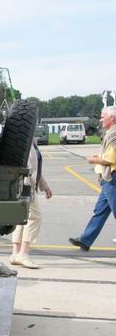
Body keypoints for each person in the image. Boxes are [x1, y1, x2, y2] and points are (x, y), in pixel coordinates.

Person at [69, 106, 116, 251]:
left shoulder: (114, 135)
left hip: (112, 180)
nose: (100, 120)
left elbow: (110, 159)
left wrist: (94, 160)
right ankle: (85, 240)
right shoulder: (110, 133)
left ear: (112, 118)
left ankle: (85, 240)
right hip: (108, 179)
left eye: (103, 117)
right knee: (100, 211)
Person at [9, 138, 52, 268]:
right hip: (26, 185)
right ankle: (23, 253)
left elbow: (35, 168)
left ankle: (16, 253)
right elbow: (28, 169)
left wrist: (44, 186)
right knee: (34, 217)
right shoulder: (26, 142)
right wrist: (33, 187)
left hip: (25, 185)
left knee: (21, 219)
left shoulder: (30, 141)